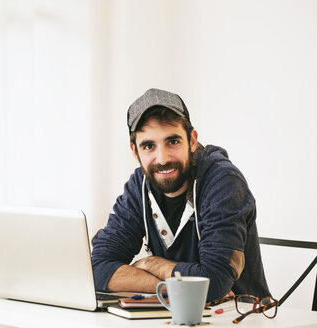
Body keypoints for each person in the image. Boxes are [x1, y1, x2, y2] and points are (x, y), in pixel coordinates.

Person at [91, 88, 270, 301]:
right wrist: (169, 287)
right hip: (171, 314)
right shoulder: (139, 185)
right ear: (135, 151)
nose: (163, 158)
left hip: (238, 317)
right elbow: (97, 267)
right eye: (148, 146)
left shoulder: (223, 181)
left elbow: (215, 282)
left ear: (192, 140)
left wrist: (151, 263)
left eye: (173, 141)